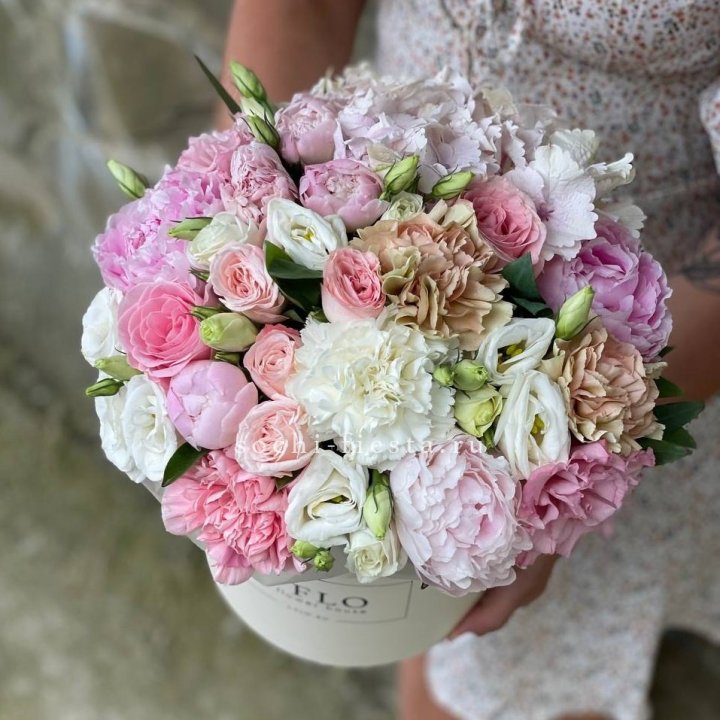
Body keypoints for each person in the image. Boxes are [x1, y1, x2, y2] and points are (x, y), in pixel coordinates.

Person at [221, 2, 720, 718]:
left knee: (512, 682)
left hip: (623, 348)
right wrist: (246, 213)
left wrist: (566, 486)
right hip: (367, 209)